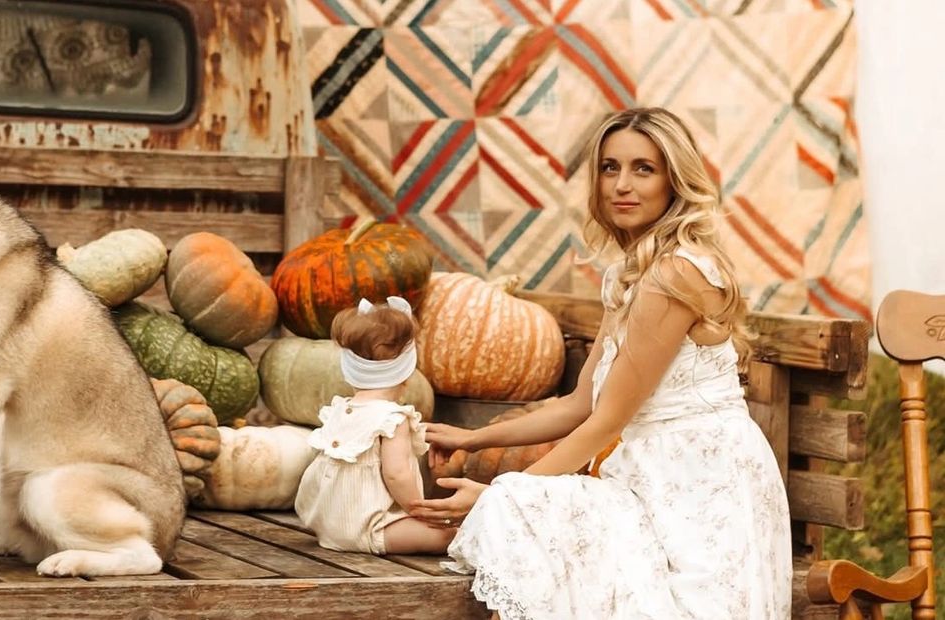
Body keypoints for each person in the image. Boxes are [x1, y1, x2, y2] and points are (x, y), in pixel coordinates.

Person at [410, 107, 791, 619]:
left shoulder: (674, 276)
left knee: (522, 514)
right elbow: (581, 403)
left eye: (643, 169)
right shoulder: (631, 276)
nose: (621, 185)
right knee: (536, 527)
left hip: (700, 482)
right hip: (645, 475)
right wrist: (473, 439)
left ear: (675, 182)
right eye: (610, 168)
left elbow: (608, 420)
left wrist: (502, 493)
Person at [295, 296, 455, 555]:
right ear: (406, 373)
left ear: (351, 371)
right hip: (370, 527)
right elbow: (397, 474)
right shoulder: (393, 418)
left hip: (325, 523)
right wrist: (419, 509)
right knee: (448, 535)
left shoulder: (340, 409)